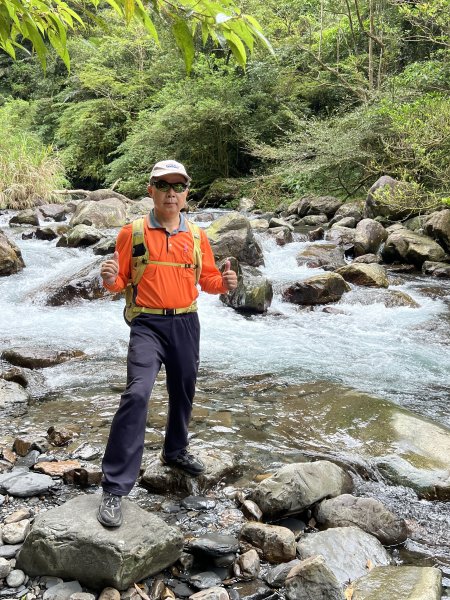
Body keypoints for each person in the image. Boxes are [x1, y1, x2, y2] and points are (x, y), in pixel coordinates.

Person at [97, 159, 238, 527]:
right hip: (146, 323)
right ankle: (114, 487)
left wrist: (224, 285)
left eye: (178, 186)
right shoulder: (133, 233)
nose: (171, 193)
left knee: (184, 388)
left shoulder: (196, 236)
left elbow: (206, 281)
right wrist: (109, 279)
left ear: (187, 193)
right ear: (151, 191)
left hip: (187, 322)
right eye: (163, 186)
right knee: (137, 393)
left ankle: (175, 450)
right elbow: (120, 281)